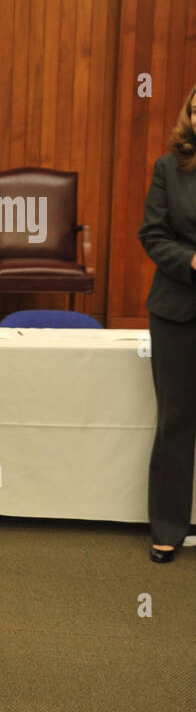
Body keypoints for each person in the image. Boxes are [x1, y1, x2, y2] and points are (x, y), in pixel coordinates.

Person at [138, 83, 196, 564]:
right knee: (175, 421)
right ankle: (169, 526)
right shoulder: (169, 167)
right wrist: (192, 262)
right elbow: (152, 233)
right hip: (179, 308)